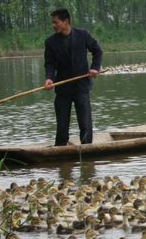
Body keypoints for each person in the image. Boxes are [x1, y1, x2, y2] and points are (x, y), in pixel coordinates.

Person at [44, 8, 103, 146]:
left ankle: (87, 152)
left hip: (81, 86)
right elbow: (49, 64)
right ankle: (60, 151)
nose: (53, 25)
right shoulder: (50, 42)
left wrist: (95, 68)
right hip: (62, 88)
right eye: (53, 22)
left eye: (56, 22)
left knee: (85, 125)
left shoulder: (83, 35)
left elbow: (97, 51)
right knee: (62, 127)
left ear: (66, 21)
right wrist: (49, 78)